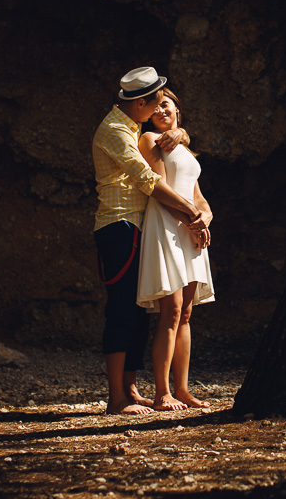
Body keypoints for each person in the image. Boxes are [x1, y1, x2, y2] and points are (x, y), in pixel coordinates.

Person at [92, 67, 208, 415]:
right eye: (155, 102)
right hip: (119, 224)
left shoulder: (131, 126)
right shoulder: (115, 130)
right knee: (122, 309)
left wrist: (181, 133)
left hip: (139, 226)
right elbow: (148, 180)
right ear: (141, 103)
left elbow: (170, 141)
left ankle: (129, 389)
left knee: (138, 311)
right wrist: (192, 213)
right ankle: (116, 397)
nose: (160, 107)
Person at [138, 88, 215, 410]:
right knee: (170, 311)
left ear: (177, 109)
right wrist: (192, 220)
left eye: (165, 104)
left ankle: (182, 389)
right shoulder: (148, 140)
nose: (160, 110)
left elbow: (198, 196)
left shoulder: (184, 147)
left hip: (191, 228)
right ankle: (162, 392)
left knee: (186, 313)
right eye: (155, 107)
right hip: (167, 225)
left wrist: (205, 218)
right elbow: (159, 189)